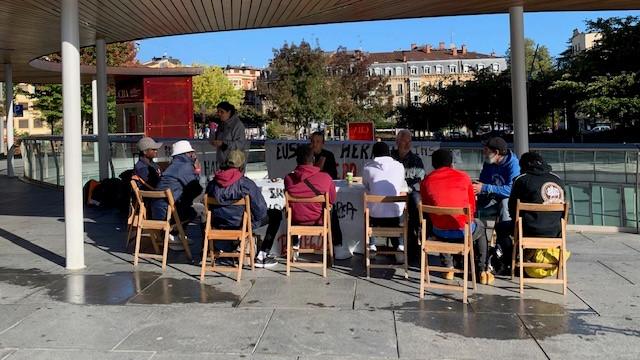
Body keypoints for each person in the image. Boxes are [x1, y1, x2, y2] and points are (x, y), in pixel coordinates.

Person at [420, 149, 493, 284]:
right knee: (480, 226)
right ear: (451, 163)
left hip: (439, 231)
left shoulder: (426, 181)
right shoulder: (464, 177)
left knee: (439, 222)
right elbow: (472, 207)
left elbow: (427, 207)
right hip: (463, 230)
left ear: (433, 164)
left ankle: (448, 267)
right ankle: (483, 270)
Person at [205, 150, 281, 268]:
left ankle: (229, 247)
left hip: (219, 223)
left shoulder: (212, 183)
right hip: (242, 224)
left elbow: (208, 206)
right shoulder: (246, 184)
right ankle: (262, 254)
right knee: (276, 214)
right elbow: (261, 210)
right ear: (241, 166)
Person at [494, 152, 566, 273]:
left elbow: (512, 209)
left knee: (501, 227)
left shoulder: (522, 180)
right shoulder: (558, 180)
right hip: (556, 231)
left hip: (530, 229)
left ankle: (508, 263)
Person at [284, 145, 350, 260]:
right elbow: (332, 200)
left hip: (296, 220)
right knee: (332, 211)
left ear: (297, 160)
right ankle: (338, 247)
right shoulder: (325, 178)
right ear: (313, 159)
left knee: (293, 210)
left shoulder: (288, 179)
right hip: (319, 220)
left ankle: (295, 245)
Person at [151, 140, 203, 250]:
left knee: (185, 203)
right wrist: (197, 172)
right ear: (186, 154)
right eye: (191, 153)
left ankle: (177, 235)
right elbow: (196, 188)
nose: (193, 155)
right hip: (168, 214)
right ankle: (173, 235)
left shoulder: (173, 165)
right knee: (196, 211)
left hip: (157, 211)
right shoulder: (185, 166)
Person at [363, 141, 408, 262]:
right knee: (398, 208)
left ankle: (371, 245)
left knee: (368, 208)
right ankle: (400, 246)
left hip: (375, 216)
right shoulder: (399, 166)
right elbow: (401, 185)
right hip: (396, 217)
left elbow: (366, 187)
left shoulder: (367, 167)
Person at [309, 131, 348, 259]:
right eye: (313, 141)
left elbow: (333, 177)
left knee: (332, 210)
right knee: (332, 211)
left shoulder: (328, 155)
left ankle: (338, 245)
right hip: (310, 197)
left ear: (323, 143)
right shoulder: (306, 155)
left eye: (318, 142)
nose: (315, 144)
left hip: (323, 190)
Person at [391, 129, 425, 260]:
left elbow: (420, 181)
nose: (407, 144)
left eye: (409, 141)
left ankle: (414, 239)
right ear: (397, 142)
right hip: (393, 195)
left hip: (410, 195)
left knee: (416, 199)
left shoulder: (416, 160)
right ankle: (397, 244)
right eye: (404, 140)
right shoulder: (390, 158)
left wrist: (407, 190)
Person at [473, 137, 520, 223]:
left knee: (505, 202)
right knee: (473, 208)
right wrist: (476, 187)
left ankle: (505, 233)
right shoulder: (488, 162)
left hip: (507, 201)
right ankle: (478, 231)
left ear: (496, 152)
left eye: (486, 150)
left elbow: (511, 190)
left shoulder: (513, 164)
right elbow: (483, 182)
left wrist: (484, 188)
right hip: (491, 198)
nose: (484, 152)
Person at [210, 101, 247, 170]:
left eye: (222, 112)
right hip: (223, 162)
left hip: (234, 164)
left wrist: (224, 144)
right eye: (218, 112)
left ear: (229, 112)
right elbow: (213, 141)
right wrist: (212, 131)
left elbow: (240, 143)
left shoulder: (237, 125)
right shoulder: (221, 125)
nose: (219, 114)